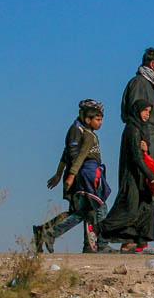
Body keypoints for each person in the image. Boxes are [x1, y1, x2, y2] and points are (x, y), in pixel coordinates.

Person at [33, 99, 113, 253]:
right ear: (87, 118)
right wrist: (68, 175)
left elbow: (68, 154)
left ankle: (45, 232)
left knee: (80, 212)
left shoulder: (86, 132)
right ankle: (98, 244)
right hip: (83, 177)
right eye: (98, 119)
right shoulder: (78, 131)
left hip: (84, 175)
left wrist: (60, 174)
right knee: (96, 208)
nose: (101, 123)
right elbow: (74, 155)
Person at [100, 99, 154, 252]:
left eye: (149, 112)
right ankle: (99, 229)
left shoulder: (140, 128)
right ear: (137, 111)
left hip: (140, 177)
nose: (147, 115)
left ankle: (138, 240)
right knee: (129, 210)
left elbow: (143, 154)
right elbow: (136, 158)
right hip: (131, 176)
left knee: (145, 206)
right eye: (145, 111)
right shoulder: (132, 129)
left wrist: (146, 148)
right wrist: (152, 177)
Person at [119, 47, 154, 180]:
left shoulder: (148, 84)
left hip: (149, 135)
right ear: (152, 64)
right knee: (151, 184)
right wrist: (143, 141)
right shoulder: (139, 83)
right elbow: (136, 115)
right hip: (142, 136)